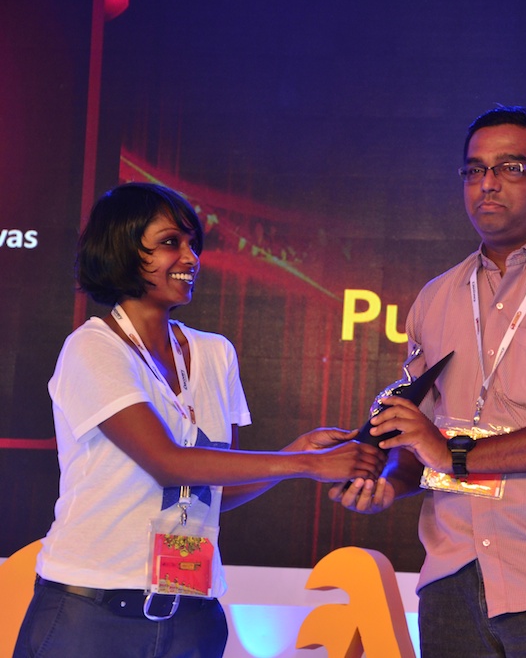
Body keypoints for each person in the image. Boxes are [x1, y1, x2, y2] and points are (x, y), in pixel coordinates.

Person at [14, 182, 385, 658]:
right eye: (171, 242)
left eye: (194, 244)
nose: (191, 258)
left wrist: (297, 452)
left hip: (190, 615)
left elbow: (215, 490)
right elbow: (168, 463)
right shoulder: (92, 348)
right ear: (122, 249)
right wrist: (308, 465)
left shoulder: (215, 353)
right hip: (91, 614)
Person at [335, 106, 526, 657]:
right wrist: (384, 480)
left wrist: (452, 455)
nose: (487, 183)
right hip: (451, 576)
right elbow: (418, 436)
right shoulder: (436, 297)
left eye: (511, 168)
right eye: (474, 170)